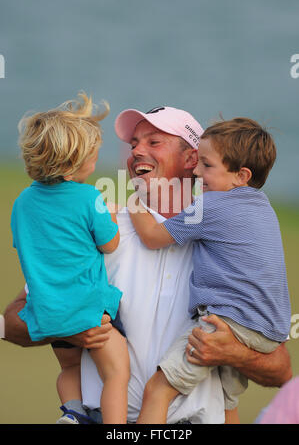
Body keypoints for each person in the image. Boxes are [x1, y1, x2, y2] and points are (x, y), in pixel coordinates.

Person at [3, 106, 292, 424]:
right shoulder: (101, 228)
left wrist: (234, 352)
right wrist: (73, 331)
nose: (137, 151)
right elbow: (12, 323)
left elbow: (281, 370)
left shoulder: (229, 241)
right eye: (133, 144)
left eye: (154, 142)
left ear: (193, 160)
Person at [128, 116, 292, 424]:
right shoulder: (264, 207)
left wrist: (136, 202)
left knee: (158, 390)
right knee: (226, 402)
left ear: (241, 175)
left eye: (207, 165)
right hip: (267, 330)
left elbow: (152, 237)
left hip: (227, 322)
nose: (197, 171)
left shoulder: (211, 206)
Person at [10, 93, 130, 424]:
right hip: (88, 310)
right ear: (74, 162)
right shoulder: (89, 197)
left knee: (69, 368)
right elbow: (110, 244)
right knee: (118, 373)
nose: (97, 160)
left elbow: (30, 247)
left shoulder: (22, 203)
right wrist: (113, 217)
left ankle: (73, 413)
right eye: (93, 155)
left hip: (47, 313)